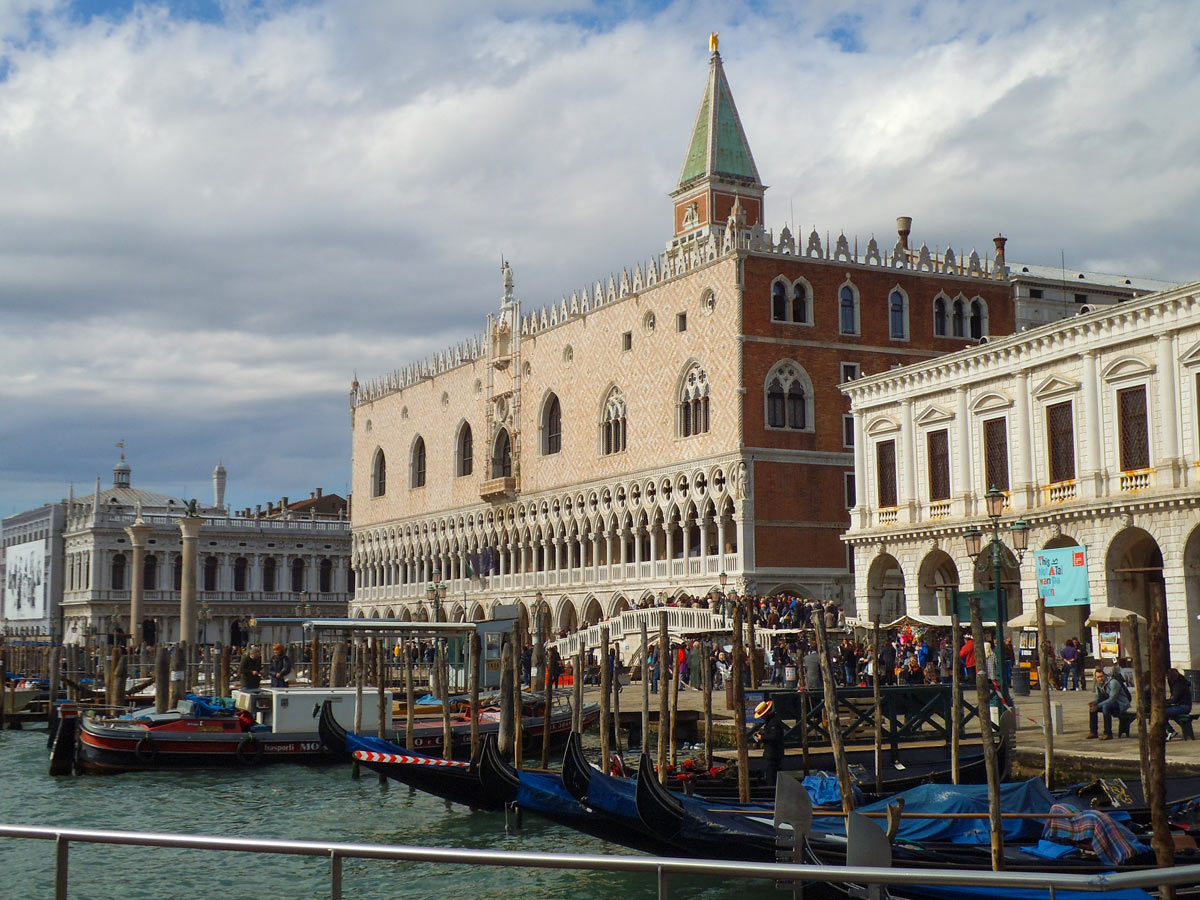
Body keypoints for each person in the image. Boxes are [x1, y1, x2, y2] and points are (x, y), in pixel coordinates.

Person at [748, 699, 785, 787]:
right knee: (770, 775)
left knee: (771, 777)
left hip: (774, 754)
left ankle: (771, 791)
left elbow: (774, 736)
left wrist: (762, 737)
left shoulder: (773, 722)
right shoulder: (771, 721)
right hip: (771, 753)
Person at [1087, 667, 1130, 740]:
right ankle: (1093, 732)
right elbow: (1098, 697)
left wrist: (1098, 705)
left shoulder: (1113, 683)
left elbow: (1112, 698)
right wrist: (1094, 703)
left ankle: (1108, 733)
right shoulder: (1098, 684)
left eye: (1101, 676)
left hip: (1120, 704)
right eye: (1098, 677)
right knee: (1092, 708)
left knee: (1105, 707)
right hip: (1109, 703)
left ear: (1105, 676)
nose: (1100, 679)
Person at [1166, 668, 1193, 741]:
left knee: (1162, 713)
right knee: (1171, 713)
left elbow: (1175, 699)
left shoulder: (1178, 685)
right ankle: (1186, 730)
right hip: (1185, 706)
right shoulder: (1182, 682)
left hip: (1183, 707)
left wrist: (1166, 702)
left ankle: (1170, 731)